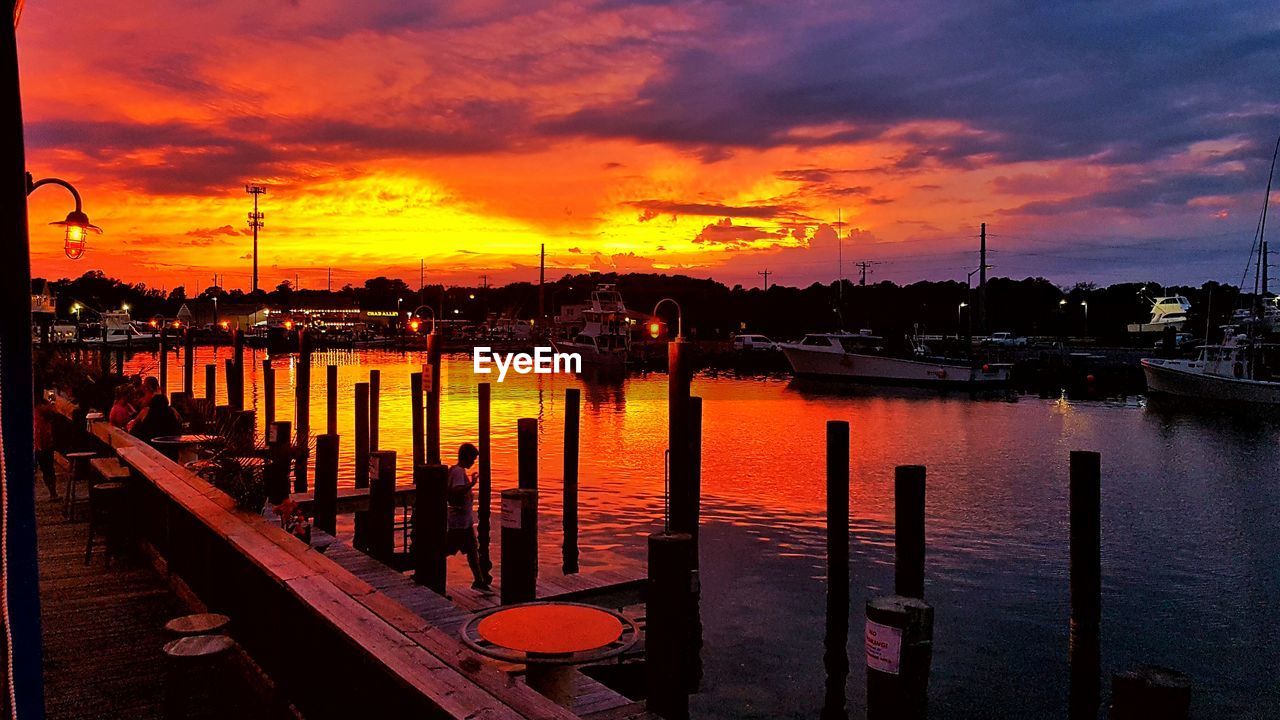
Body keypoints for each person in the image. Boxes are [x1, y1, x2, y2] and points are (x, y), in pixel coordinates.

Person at [447, 442, 491, 590]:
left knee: (472, 550)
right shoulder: (458, 472)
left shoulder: (456, 471)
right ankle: (428, 569)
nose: (473, 462)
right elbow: (456, 490)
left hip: (465, 522)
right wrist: (471, 484)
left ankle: (479, 581)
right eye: (473, 459)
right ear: (467, 457)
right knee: (447, 549)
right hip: (458, 523)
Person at [33, 394, 60, 501]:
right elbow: (37, 430)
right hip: (41, 445)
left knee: (48, 470)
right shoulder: (40, 412)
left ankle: (53, 493)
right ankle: (53, 493)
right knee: (48, 469)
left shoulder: (43, 411)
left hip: (43, 444)